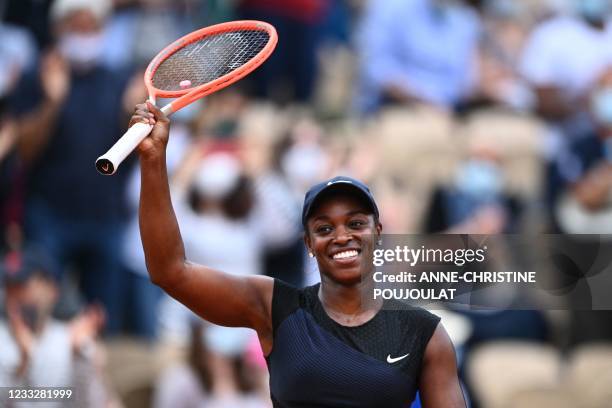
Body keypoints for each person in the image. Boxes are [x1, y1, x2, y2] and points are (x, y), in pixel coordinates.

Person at [132, 101, 466, 407]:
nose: (341, 236)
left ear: (377, 234)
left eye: (355, 223)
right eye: (324, 228)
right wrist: (153, 160)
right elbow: (169, 271)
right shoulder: (275, 307)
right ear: (308, 243)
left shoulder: (425, 332)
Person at [0, 248, 118, 408]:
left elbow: (97, 404)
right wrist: (24, 363)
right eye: (9, 289)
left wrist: (84, 361)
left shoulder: (69, 338)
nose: (15, 297)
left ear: (52, 290)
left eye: (23, 286)